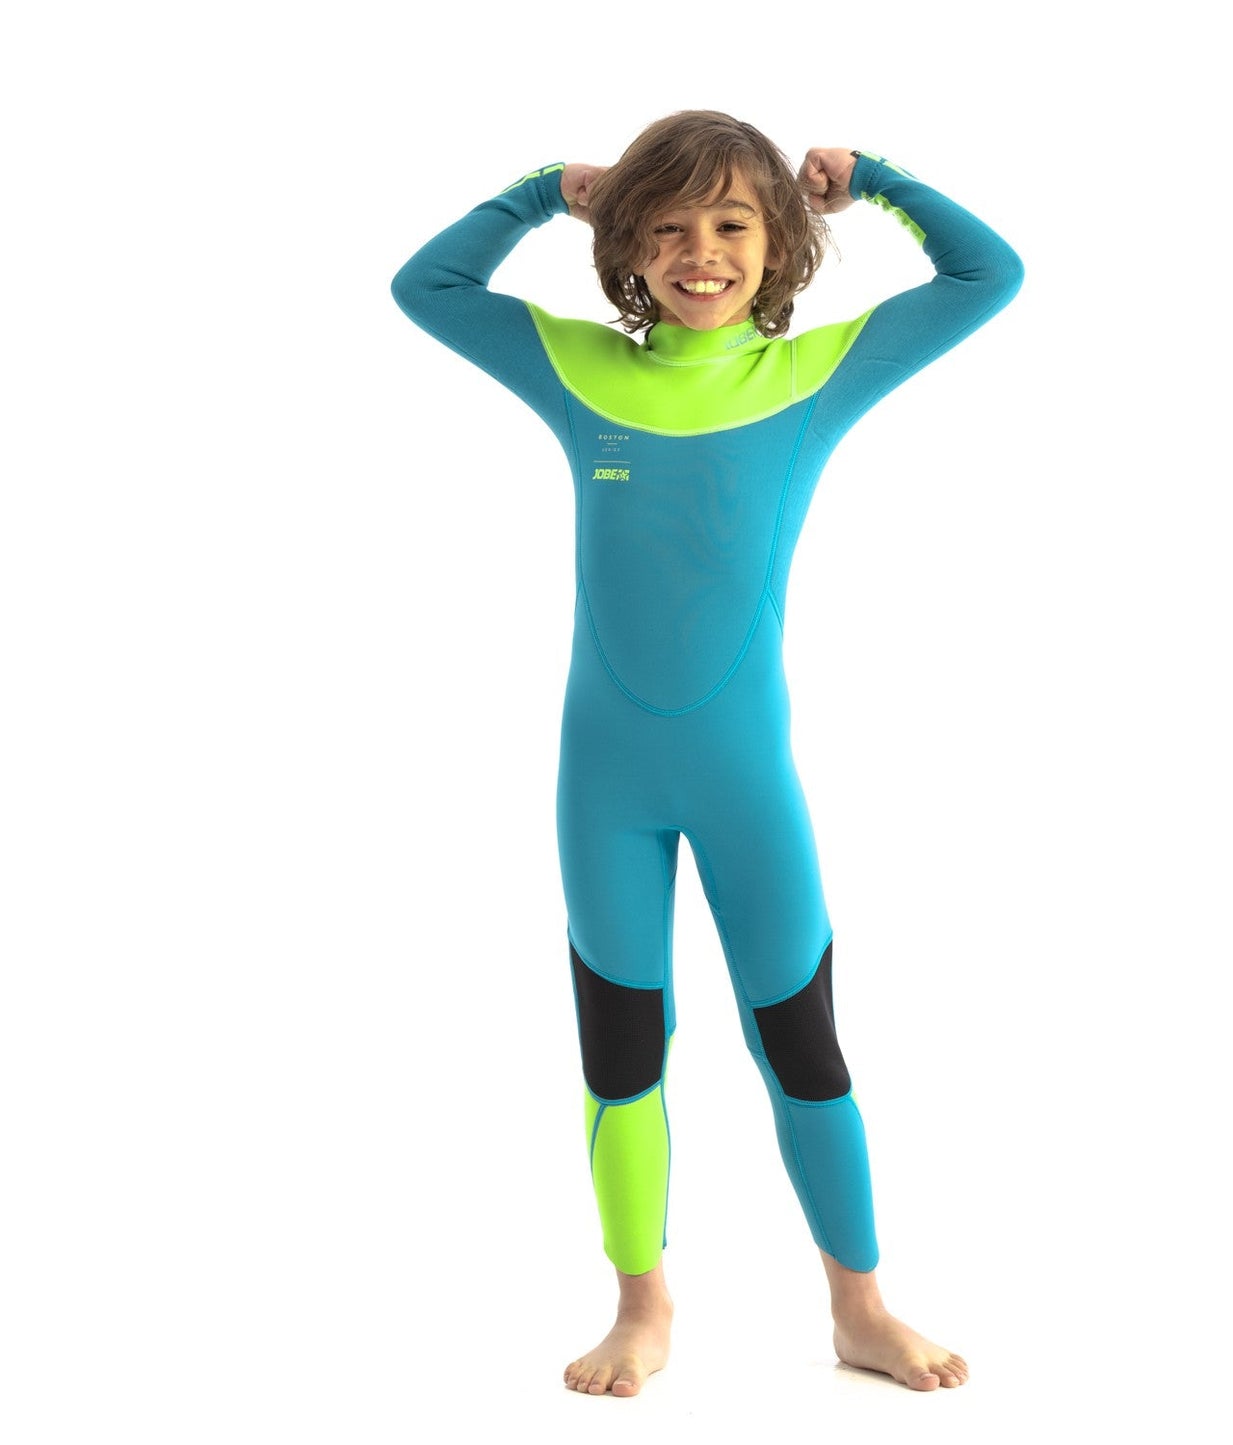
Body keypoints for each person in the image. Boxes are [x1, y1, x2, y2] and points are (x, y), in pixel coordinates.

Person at [391, 109, 1023, 1396]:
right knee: (622, 1050)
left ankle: (859, 1305)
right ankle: (642, 1306)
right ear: (625, 244)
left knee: (802, 1044)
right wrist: (540, 189)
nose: (701, 252)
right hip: (602, 788)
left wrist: (876, 179)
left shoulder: (813, 374)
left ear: (778, 243)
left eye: (733, 223)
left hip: (748, 789)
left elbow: (986, 273)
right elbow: (426, 287)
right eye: (666, 225)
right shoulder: (574, 368)